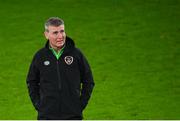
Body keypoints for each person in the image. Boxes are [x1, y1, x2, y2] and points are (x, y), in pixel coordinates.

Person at [26, 17, 95, 120]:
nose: (60, 36)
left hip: (73, 115)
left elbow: (88, 81)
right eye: (55, 33)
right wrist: (39, 105)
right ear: (46, 35)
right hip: (47, 116)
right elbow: (31, 81)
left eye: (62, 31)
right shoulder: (40, 56)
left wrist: (80, 105)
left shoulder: (76, 54)